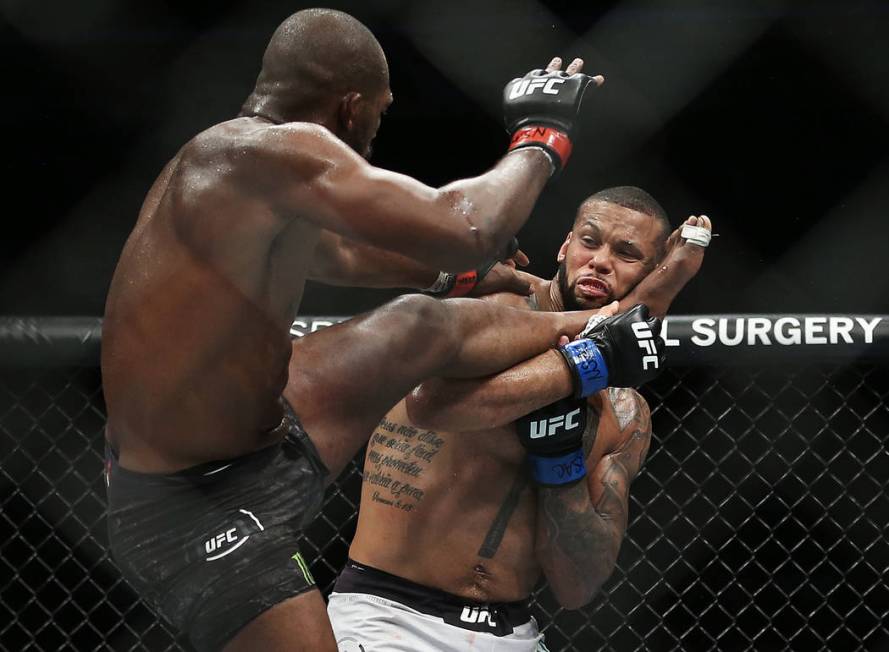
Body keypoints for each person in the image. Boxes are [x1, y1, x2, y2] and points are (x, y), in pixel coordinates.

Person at [100, 8, 661, 651]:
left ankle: (594, 329)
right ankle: (594, 348)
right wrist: (541, 138)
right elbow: (467, 222)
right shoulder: (269, 151)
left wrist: (456, 274)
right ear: (350, 107)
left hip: (259, 436)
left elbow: (338, 257)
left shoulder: (232, 171)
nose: (373, 131)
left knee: (417, 324)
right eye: (379, 113)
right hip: (192, 504)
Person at [325, 187, 712, 651]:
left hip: (513, 632)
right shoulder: (494, 308)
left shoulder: (626, 413)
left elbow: (577, 586)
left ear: (649, 271)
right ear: (566, 246)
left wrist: (561, 465)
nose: (601, 261)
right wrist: (586, 363)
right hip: (388, 614)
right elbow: (431, 405)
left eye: (626, 253)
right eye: (590, 242)